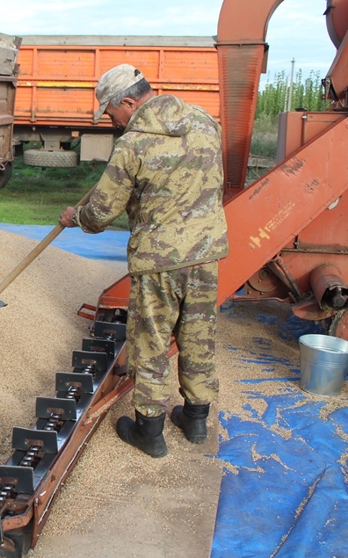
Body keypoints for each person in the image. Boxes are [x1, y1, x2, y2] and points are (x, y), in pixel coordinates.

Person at [59, 64, 228, 459]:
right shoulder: (205, 122)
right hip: (206, 255)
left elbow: (100, 214)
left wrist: (75, 217)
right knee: (197, 336)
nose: (112, 121)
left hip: (159, 261)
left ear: (130, 102)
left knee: (151, 342)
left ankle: (149, 430)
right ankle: (196, 419)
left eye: (112, 112)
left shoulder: (133, 144)